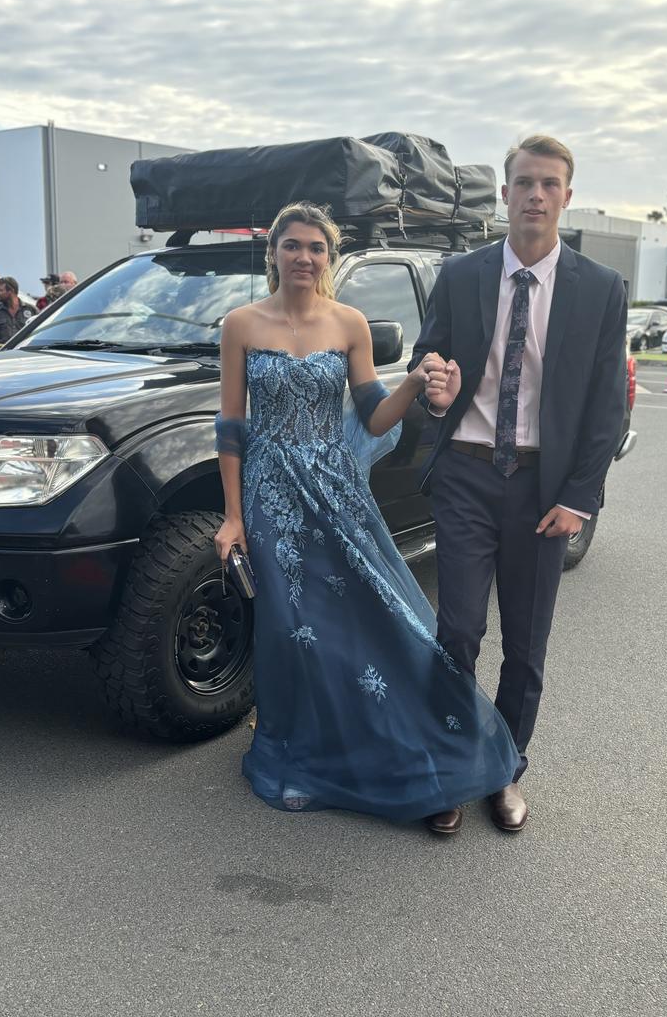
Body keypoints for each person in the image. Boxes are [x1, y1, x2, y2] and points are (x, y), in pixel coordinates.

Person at [215, 201, 518, 832]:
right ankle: (313, 741)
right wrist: (232, 516)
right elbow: (232, 428)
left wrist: (413, 384)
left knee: (372, 614)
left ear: (329, 256)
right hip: (272, 500)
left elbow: (375, 416)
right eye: (292, 245)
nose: (304, 257)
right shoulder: (239, 324)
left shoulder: (349, 322)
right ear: (273, 251)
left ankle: (424, 741)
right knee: (292, 625)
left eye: (316, 247)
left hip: (337, 491)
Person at [410, 135, 628, 833]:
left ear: (567, 195)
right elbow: (427, 363)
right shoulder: (460, 275)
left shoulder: (599, 289)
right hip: (468, 474)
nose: (536, 195)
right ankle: (450, 769)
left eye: (550, 183)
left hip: (544, 488)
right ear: (504, 194)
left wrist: (580, 496)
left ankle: (504, 770)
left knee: (527, 646)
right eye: (524, 182)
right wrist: (435, 390)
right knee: (459, 630)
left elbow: (605, 405)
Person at [0, 276, 38, 348]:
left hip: (26, 354)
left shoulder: (31, 310)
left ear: (11, 291)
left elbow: (39, 334)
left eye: (1, 290)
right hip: (3, 355)